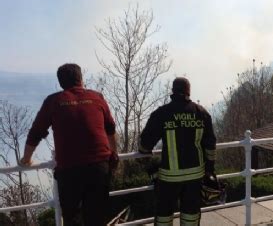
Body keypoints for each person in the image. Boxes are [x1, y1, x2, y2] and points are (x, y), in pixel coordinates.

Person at [20, 63, 118, 226]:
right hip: (99, 168)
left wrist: (26, 159)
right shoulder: (97, 97)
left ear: (60, 82)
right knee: (97, 218)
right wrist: (114, 154)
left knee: (72, 218)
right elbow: (110, 128)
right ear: (81, 78)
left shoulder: (53, 101)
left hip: (70, 171)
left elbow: (36, 133)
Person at [139, 77, 216, 226]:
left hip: (169, 178)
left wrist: (152, 166)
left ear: (173, 91)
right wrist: (210, 170)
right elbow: (210, 145)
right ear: (189, 92)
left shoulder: (161, 114)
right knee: (191, 216)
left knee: (164, 216)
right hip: (195, 177)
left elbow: (145, 146)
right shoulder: (202, 113)